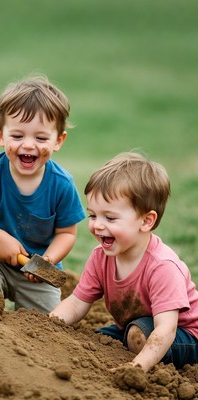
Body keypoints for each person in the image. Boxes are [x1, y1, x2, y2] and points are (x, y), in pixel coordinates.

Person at [50, 152, 198, 372]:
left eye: (110, 218)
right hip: (131, 327)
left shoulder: (162, 266)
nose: (97, 225)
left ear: (146, 221)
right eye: (93, 216)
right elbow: (76, 303)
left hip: (183, 336)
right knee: (93, 340)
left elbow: (166, 329)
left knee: (137, 335)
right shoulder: (100, 257)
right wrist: (48, 324)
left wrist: (137, 367)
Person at [0, 75, 86, 313]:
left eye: (40, 138)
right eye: (17, 136)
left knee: (47, 322)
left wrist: (49, 259)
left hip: (36, 271)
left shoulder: (62, 184)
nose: (28, 145)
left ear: (58, 141)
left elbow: (67, 233)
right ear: (0, 135)